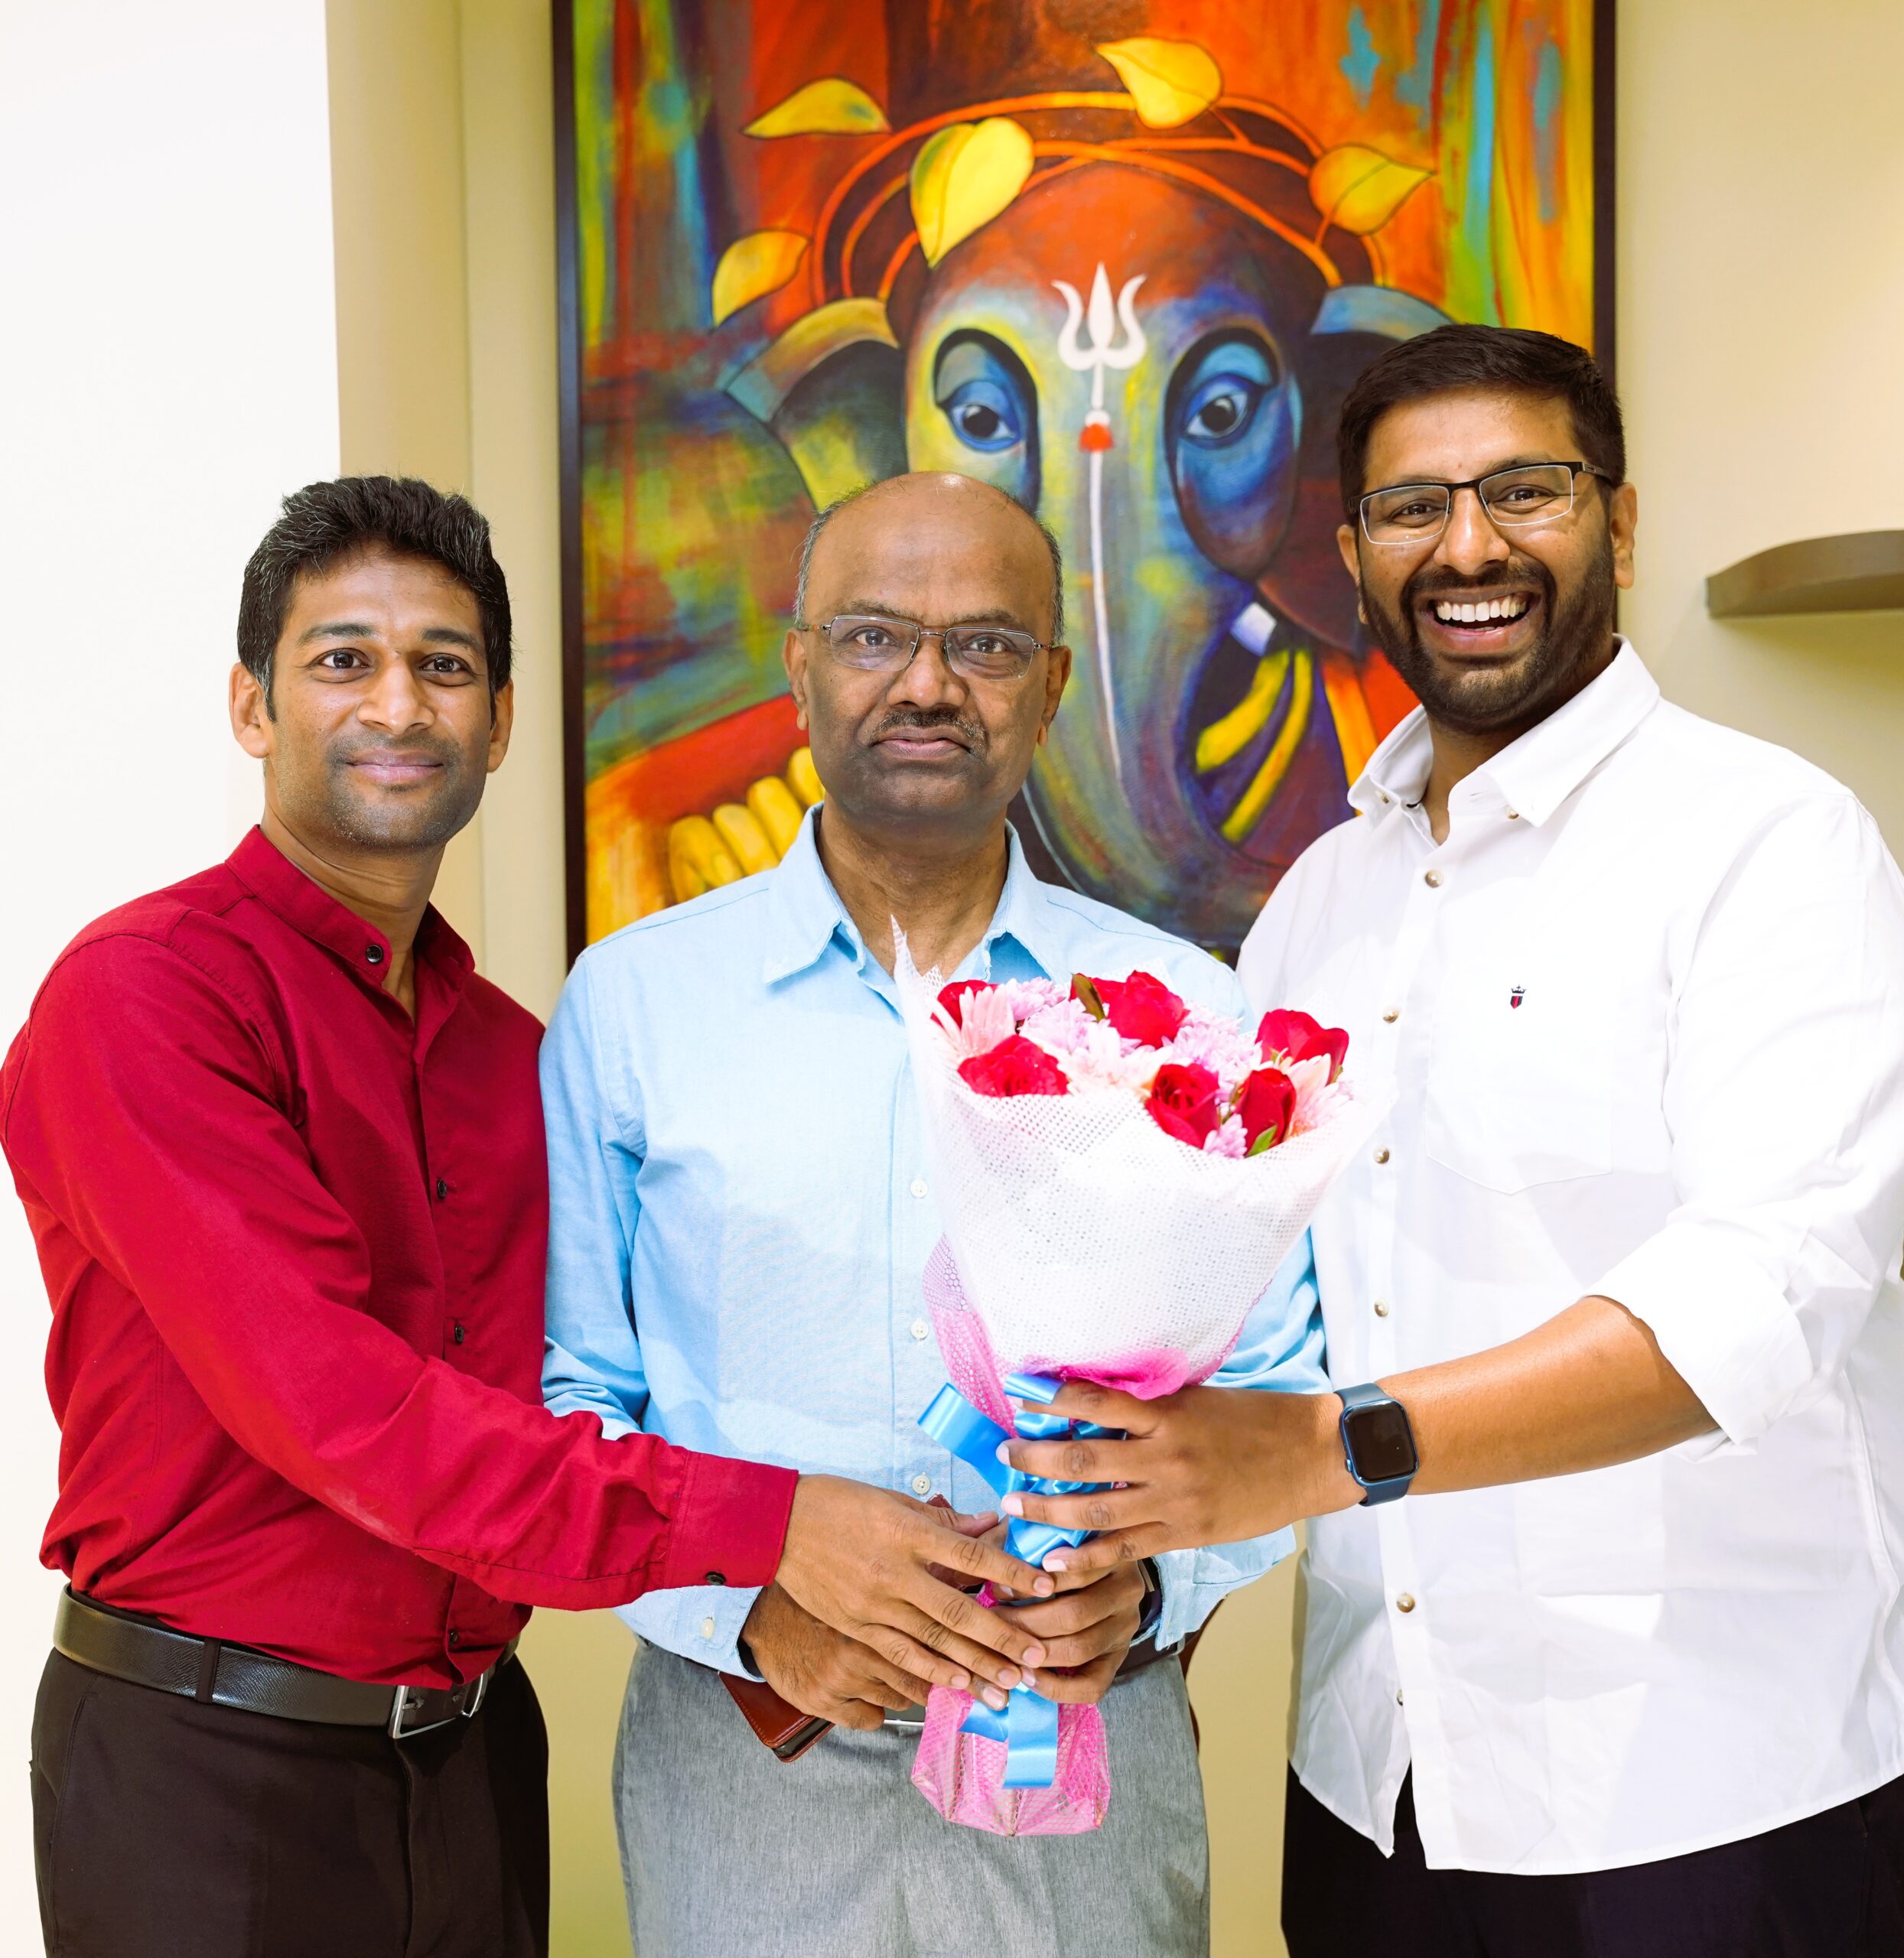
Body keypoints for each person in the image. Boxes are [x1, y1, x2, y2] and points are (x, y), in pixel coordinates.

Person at [2, 476, 1056, 1958]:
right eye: (343, 659)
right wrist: (777, 1527)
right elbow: (344, 1409)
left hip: (476, 1757)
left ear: (498, 722)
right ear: (252, 705)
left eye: (443, 665)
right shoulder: (148, 996)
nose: (399, 704)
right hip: (211, 1768)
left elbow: (566, 1388)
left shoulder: (513, 1050)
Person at [998, 327, 1904, 1956]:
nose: (1469, 546)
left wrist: (1323, 1447)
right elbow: (1254, 1311)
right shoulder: (1317, 904)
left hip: (1712, 1792)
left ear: (1620, 522)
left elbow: (1768, 1287)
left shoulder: (1769, 842)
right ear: (1351, 556)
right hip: (1377, 1780)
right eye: (1411, 506)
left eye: (1525, 490)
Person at [540, 470, 1323, 1957]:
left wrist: (1155, 1586)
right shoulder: (633, 1005)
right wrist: (741, 1609)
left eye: (985, 644)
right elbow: (571, 1395)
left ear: (1053, 685)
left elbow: (1279, 1396)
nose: (925, 683)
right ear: (798, 667)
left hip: (1080, 1744)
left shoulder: (1182, 1013)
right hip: (749, 1748)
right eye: (873, 634)